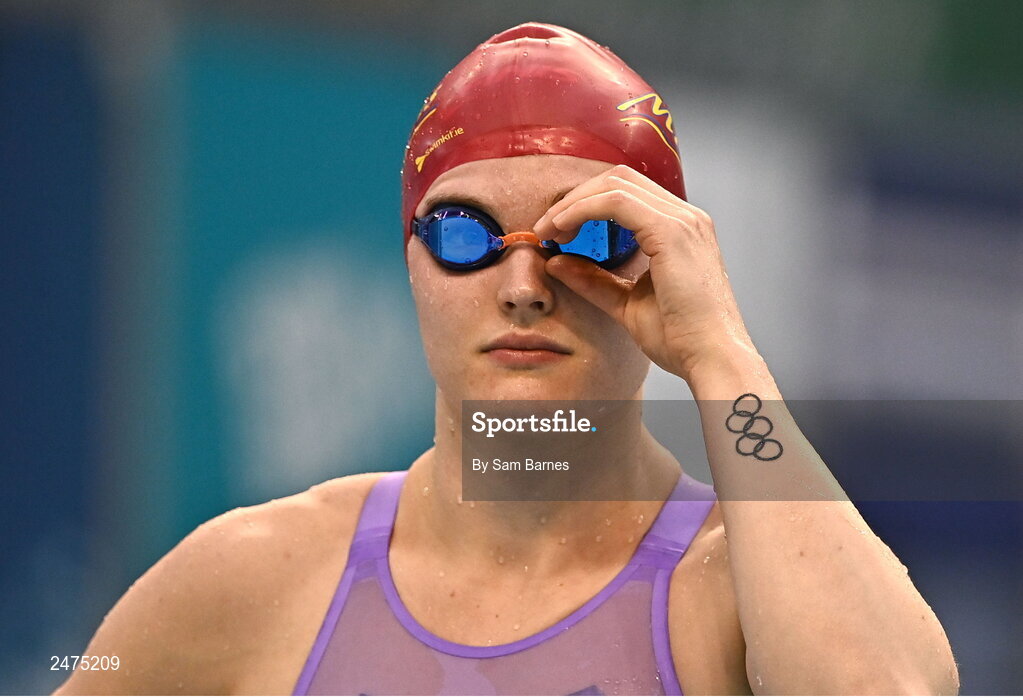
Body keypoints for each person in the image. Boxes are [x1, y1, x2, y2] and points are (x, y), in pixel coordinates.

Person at [55, 22, 958, 696]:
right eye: (464, 235)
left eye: (587, 236)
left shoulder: (735, 589)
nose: (523, 285)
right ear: (412, 264)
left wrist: (720, 354)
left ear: (662, 262)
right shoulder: (256, 580)